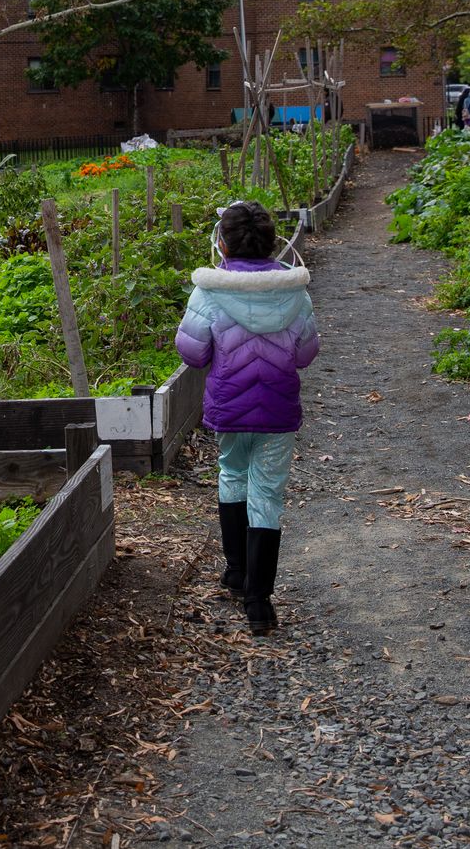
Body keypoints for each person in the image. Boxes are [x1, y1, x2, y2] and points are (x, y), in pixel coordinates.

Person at [173, 200, 319, 634]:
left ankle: (236, 571)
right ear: (272, 244)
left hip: (230, 406)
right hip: (277, 408)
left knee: (232, 473)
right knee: (268, 495)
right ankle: (259, 602)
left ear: (221, 244)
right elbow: (307, 353)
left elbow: (193, 352)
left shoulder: (210, 292)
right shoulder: (295, 291)